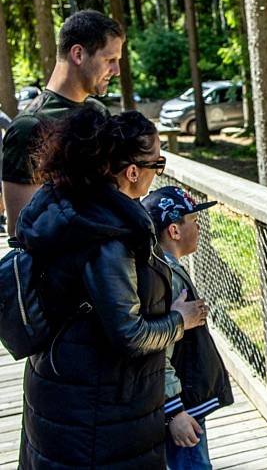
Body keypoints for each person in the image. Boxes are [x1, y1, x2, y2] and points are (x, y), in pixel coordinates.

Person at [16, 108, 208, 468]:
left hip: (60, 394)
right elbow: (130, 335)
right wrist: (180, 320)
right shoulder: (107, 235)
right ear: (133, 172)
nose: (157, 173)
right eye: (158, 163)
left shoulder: (66, 204)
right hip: (97, 419)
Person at [2, 9, 123, 237]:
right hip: (63, 269)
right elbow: (21, 229)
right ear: (78, 54)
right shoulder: (29, 127)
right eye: (110, 60)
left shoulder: (98, 112)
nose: (116, 71)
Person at [143, 186, 234, 469]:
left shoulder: (163, 266)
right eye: (194, 222)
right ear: (174, 230)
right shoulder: (169, 279)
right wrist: (175, 412)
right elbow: (158, 351)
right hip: (182, 407)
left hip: (182, 403)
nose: (199, 228)